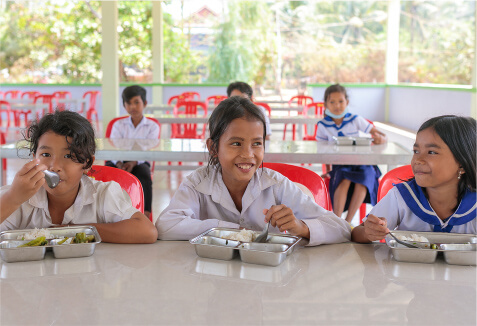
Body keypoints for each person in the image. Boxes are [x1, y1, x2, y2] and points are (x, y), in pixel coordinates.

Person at [156, 96, 351, 245]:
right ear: (214, 148)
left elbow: (341, 228)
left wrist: (301, 227)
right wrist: (232, 230)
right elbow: (165, 226)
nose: (248, 154)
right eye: (236, 143)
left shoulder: (276, 185)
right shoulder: (197, 184)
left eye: (257, 143)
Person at [0, 110, 158, 243]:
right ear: (34, 158)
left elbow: (147, 231)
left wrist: (70, 231)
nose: (54, 166)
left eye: (68, 156)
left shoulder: (103, 195)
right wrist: (13, 198)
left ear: (87, 163)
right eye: (46, 154)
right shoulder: (17, 196)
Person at [352, 115, 476, 243]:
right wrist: (369, 232)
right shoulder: (402, 196)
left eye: (431, 152)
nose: (418, 160)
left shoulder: (474, 203)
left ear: (461, 164)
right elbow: (356, 233)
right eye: (416, 151)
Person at [315, 83, 386, 223]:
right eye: (332, 102)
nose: (337, 106)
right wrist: (328, 170)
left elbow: (379, 134)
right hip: (340, 164)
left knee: (364, 179)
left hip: (362, 163)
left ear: (347, 102)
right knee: (344, 178)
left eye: (341, 101)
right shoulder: (323, 125)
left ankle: (347, 222)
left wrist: (381, 138)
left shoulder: (355, 119)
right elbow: (322, 151)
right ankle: (336, 220)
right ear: (326, 104)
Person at [105, 85, 160, 218]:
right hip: (118, 159)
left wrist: (133, 163)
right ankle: (107, 213)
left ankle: (145, 215)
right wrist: (119, 163)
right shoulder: (118, 125)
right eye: (128, 103)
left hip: (139, 161)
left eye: (136, 102)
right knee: (107, 173)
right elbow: (113, 147)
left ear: (145, 103)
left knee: (144, 175)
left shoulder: (152, 126)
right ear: (124, 106)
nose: (133, 107)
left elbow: (148, 150)